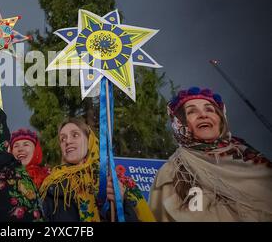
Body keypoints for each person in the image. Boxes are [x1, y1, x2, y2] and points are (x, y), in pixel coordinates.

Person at [149, 87, 272, 221]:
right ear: (180, 123)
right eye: (191, 112)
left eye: (209, 109)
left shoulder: (251, 159)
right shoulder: (172, 172)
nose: (203, 115)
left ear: (221, 119)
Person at [40, 118, 155, 222]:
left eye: (75, 135)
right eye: (62, 139)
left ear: (89, 140)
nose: (67, 141)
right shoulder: (52, 185)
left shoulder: (115, 180)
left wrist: (121, 204)